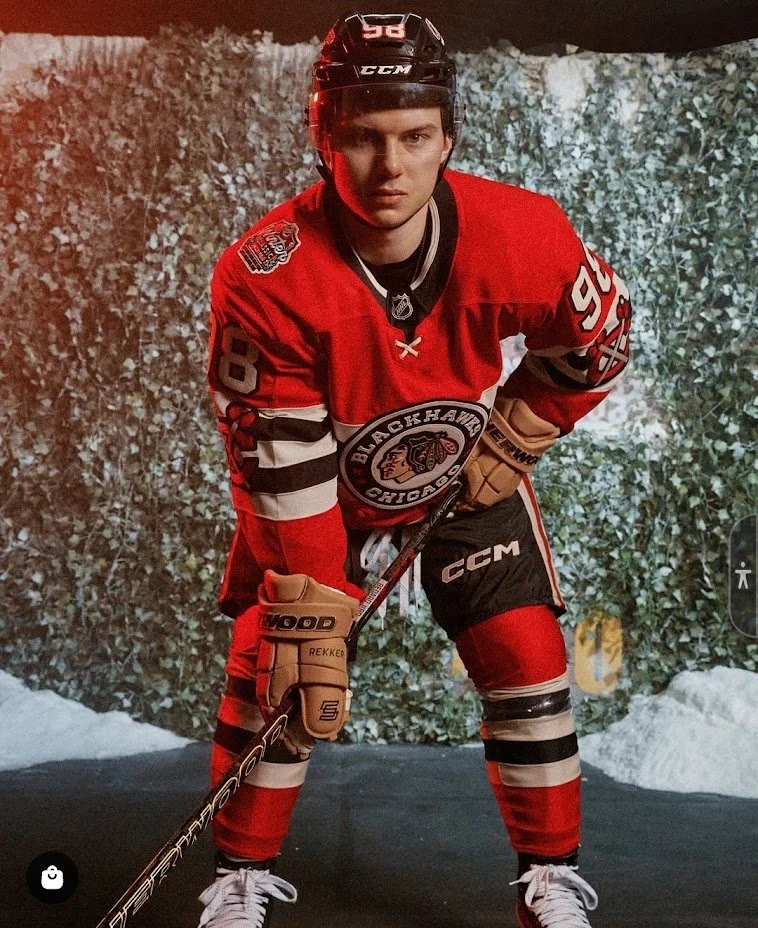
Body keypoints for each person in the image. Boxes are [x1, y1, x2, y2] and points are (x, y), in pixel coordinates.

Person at [200, 11, 632, 928]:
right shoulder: (264, 274)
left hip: (464, 481)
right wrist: (314, 607)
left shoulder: (523, 233)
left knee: (527, 656)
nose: (389, 167)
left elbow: (601, 336)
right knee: (278, 667)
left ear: (448, 138)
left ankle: (550, 879)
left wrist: (525, 423)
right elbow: (279, 461)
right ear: (322, 135)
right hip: (326, 498)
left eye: (414, 136)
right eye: (360, 137)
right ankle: (239, 876)